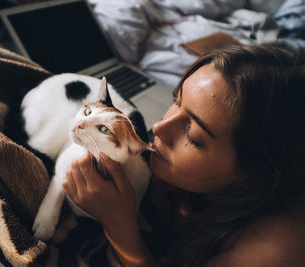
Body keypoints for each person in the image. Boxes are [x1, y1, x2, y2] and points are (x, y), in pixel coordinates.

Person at [62, 42, 305, 267]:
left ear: (253, 179)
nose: (158, 127)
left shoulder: (271, 252)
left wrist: (118, 226)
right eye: (177, 101)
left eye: (193, 135)